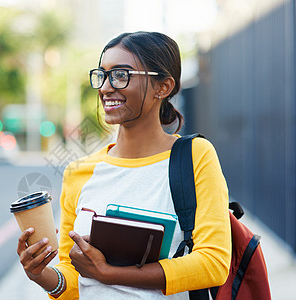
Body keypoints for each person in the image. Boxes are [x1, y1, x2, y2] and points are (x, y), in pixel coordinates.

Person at [16, 31, 231, 299]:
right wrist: (40, 275)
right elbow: (74, 281)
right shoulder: (79, 172)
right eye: (102, 75)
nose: (106, 87)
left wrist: (110, 273)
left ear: (162, 87)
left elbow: (213, 263)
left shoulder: (195, 156)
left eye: (121, 75)